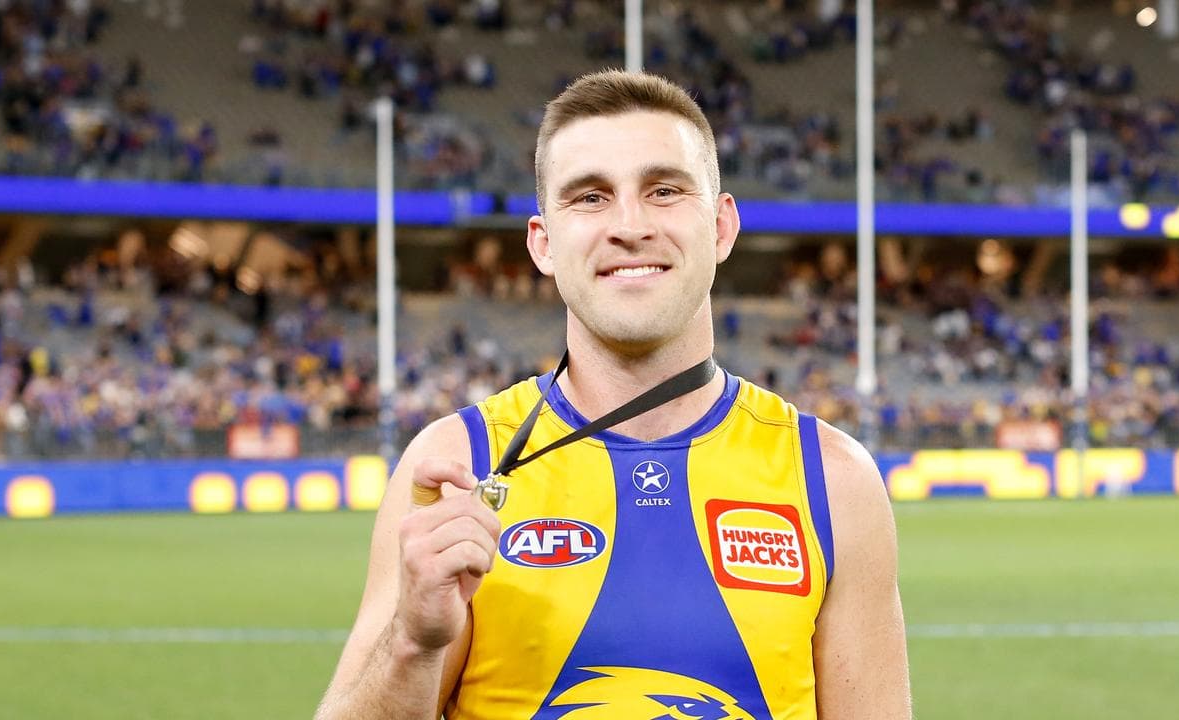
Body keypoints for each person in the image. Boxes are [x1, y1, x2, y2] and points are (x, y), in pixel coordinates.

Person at [315, 70, 910, 720]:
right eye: (591, 197)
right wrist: (410, 640)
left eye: (663, 189)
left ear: (721, 226)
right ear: (543, 244)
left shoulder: (834, 480)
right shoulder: (457, 466)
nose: (630, 225)